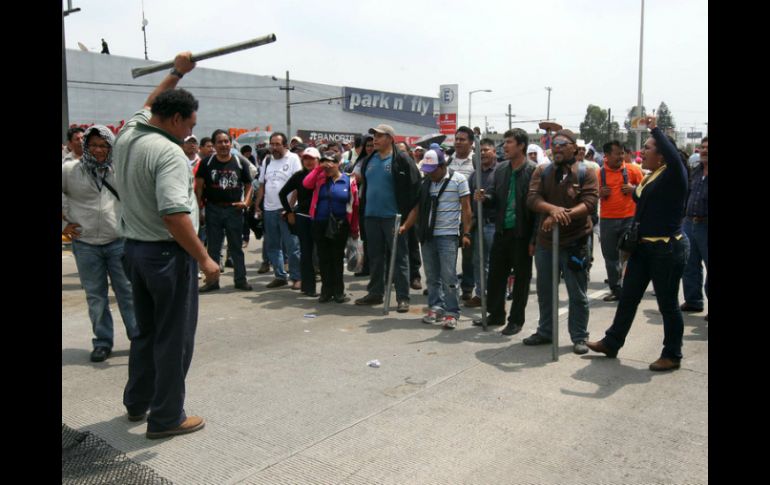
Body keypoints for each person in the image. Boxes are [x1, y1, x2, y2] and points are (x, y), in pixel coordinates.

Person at [113, 52, 217, 439]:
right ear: (175, 120)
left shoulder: (129, 132)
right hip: (165, 256)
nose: (190, 133)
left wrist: (176, 73)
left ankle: (137, 402)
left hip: (134, 252)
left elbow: (149, 102)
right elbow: (174, 215)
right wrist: (204, 258)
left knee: (145, 332)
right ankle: (167, 416)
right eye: (189, 125)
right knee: (174, 338)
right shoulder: (169, 153)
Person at [587, 117, 690, 371]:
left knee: (667, 305)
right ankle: (612, 342)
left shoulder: (675, 172)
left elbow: (674, 158)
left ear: (663, 155)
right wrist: (630, 190)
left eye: (648, 147)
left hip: (666, 249)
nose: (641, 151)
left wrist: (655, 128)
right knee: (628, 297)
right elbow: (643, 197)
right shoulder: (652, 176)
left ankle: (672, 354)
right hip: (643, 249)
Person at [62, 125, 138, 362]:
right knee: (96, 296)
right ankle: (103, 342)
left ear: (111, 146)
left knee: (127, 292)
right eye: (93, 145)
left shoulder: (120, 170)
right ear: (85, 146)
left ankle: (138, 338)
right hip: (85, 244)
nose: (98, 150)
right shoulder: (70, 170)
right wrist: (64, 224)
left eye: (104, 145)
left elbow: (135, 197)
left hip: (118, 241)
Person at [525, 129, 599, 354]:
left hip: (575, 241)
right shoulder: (542, 171)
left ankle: (579, 336)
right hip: (547, 242)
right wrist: (552, 210)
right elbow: (533, 198)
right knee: (546, 291)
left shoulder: (587, 172)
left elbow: (589, 203)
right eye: (553, 144)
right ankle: (545, 331)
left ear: (574, 148)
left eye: (562, 144)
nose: (556, 147)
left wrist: (562, 214)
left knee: (577, 293)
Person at [472, 130, 538, 335]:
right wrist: (486, 197)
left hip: (522, 234)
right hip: (501, 231)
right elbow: (496, 196)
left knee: (520, 279)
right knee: (496, 276)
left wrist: (534, 238)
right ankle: (496, 313)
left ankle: (516, 320)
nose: (505, 146)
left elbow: (536, 208)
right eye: (505, 142)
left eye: (509, 142)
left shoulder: (533, 171)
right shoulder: (501, 170)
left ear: (521, 146)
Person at [400, 146, 472, 329]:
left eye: (433, 171)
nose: (430, 174)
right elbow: (416, 209)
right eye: (428, 171)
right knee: (431, 277)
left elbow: (466, 209)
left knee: (449, 277)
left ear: (442, 166)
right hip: (427, 236)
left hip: (448, 236)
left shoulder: (459, 180)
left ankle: (452, 311)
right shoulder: (426, 183)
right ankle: (436, 307)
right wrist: (405, 226)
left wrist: (467, 233)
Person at [354, 124, 420, 312]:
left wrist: (408, 219)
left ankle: (402, 297)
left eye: (380, 136)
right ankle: (375, 292)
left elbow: (415, 189)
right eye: (374, 135)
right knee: (375, 257)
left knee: (399, 258)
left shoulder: (402, 160)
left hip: (394, 218)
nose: (375, 139)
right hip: (371, 217)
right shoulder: (369, 161)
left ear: (390, 138)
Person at [195, 130, 254, 292]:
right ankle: (212, 281)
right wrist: (199, 209)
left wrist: (246, 202)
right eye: (220, 142)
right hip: (213, 208)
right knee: (213, 247)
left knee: (236, 247)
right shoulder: (206, 163)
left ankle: (240, 280)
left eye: (226, 141)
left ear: (231, 143)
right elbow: (199, 187)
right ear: (214, 145)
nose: (223, 145)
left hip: (234, 210)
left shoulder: (240, 162)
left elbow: (249, 185)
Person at [303, 151, 360, 303]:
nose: (327, 165)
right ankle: (326, 291)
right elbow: (306, 184)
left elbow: (354, 206)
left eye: (331, 162)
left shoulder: (348, 180)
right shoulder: (320, 178)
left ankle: (339, 292)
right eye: (324, 162)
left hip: (340, 225)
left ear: (338, 163)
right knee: (323, 258)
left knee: (337, 258)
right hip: (320, 223)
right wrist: (318, 169)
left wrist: (354, 229)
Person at [597, 140, 644, 301]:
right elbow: (591, 194)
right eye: (617, 153)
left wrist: (634, 189)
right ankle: (616, 289)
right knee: (610, 257)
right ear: (607, 156)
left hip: (629, 219)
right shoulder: (599, 173)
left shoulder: (633, 170)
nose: (621, 156)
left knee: (630, 255)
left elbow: (646, 192)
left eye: (622, 153)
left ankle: (630, 287)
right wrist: (599, 193)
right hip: (607, 220)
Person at [255, 133, 303, 289]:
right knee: (272, 245)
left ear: (285, 145)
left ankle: (296, 277)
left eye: (277, 144)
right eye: (272, 144)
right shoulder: (267, 160)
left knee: (292, 246)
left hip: (286, 210)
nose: (274, 147)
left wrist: (289, 208)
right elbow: (262, 184)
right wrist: (257, 204)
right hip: (269, 210)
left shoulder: (293, 159)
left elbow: (297, 186)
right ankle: (280, 275)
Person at [464, 138, 501, 309]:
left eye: (487, 150)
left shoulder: (501, 171)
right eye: (481, 151)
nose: (483, 153)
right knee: (479, 261)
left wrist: (487, 197)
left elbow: (500, 196)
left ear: (494, 152)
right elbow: (469, 205)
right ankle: (480, 294)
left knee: (496, 262)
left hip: (494, 224)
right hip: (478, 223)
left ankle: (496, 295)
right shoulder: (474, 175)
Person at [280, 147, 321, 297]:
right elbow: (282, 193)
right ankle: (308, 288)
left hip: (320, 218)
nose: (308, 161)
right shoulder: (298, 176)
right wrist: (289, 212)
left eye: (312, 158)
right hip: (304, 218)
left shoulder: (324, 175)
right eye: (305, 159)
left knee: (320, 253)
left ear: (318, 160)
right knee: (307, 253)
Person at [447, 126, 477, 301]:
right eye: (456, 139)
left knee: (468, 256)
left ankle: (467, 287)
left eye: (462, 139)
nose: (458, 142)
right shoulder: (447, 161)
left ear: (471, 143)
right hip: (448, 216)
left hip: (467, 216)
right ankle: (446, 286)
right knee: (447, 255)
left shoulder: (475, 162)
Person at [680, 136, 708, 317]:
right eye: (702, 147)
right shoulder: (696, 171)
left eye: (707, 148)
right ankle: (693, 301)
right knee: (689, 263)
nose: (704, 150)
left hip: (707, 224)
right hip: (690, 222)